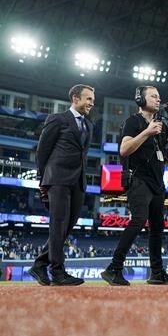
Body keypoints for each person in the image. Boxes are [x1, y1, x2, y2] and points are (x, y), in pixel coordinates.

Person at [101, 86, 168, 286]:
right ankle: (114, 268)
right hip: (138, 179)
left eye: (159, 97)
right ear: (140, 99)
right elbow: (124, 150)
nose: (158, 100)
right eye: (153, 96)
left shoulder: (162, 126)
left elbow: (166, 158)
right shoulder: (133, 122)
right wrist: (147, 132)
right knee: (138, 220)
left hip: (157, 182)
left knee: (157, 228)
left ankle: (157, 273)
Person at [28, 84, 95, 286]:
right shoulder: (58, 119)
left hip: (78, 181)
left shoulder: (89, 125)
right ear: (75, 98)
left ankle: (39, 264)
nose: (92, 103)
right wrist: (43, 181)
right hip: (57, 178)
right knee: (58, 225)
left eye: (93, 99)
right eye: (88, 99)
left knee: (66, 227)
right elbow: (42, 151)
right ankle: (57, 272)